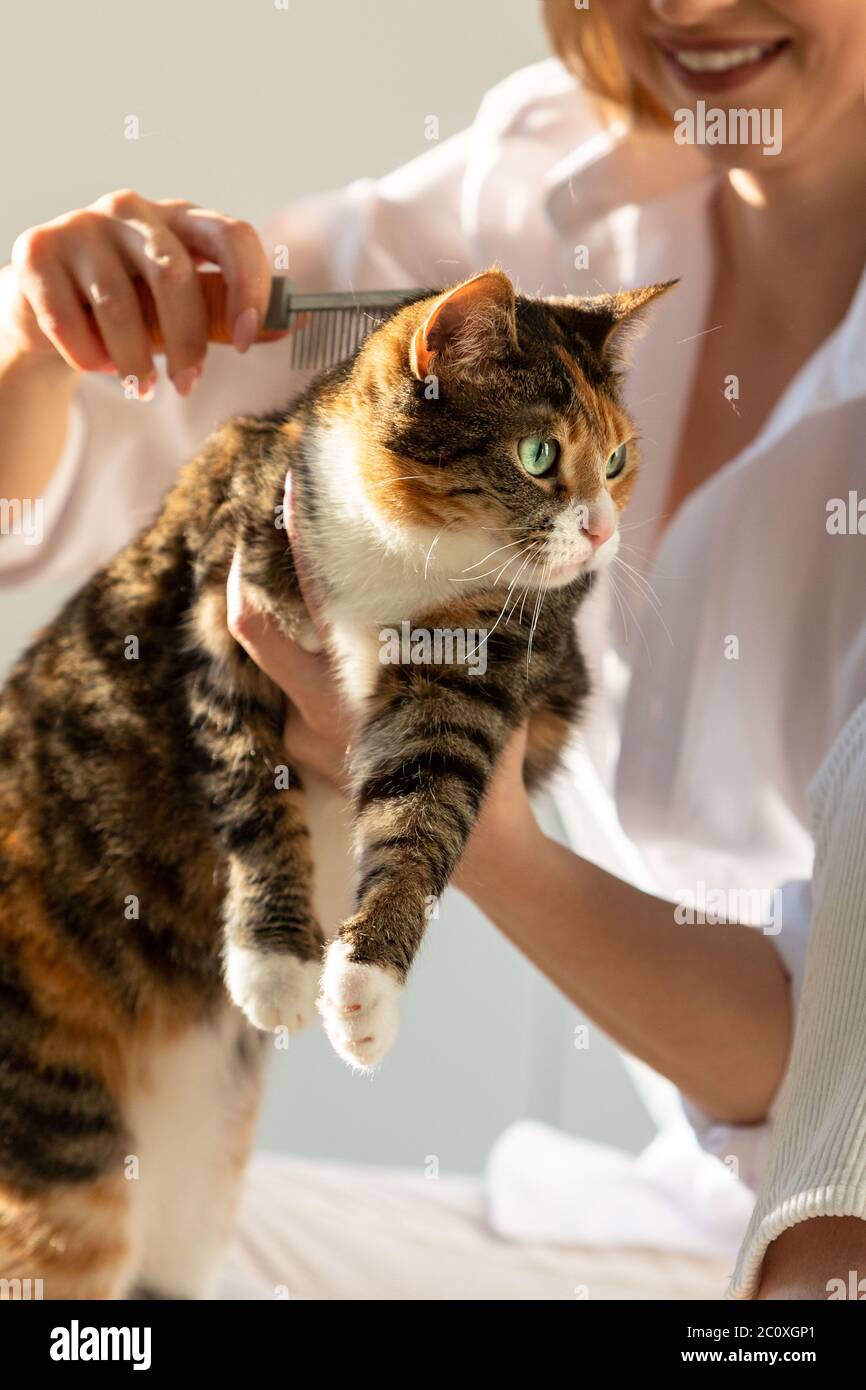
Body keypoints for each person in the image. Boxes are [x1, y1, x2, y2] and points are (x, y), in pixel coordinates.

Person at [1, 0, 865, 1299]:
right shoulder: (549, 192)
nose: (683, 7)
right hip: (658, 1221)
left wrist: (478, 834)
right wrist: (44, 341)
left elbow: (821, 1094)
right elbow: (44, 493)